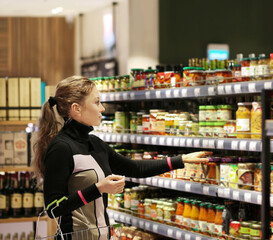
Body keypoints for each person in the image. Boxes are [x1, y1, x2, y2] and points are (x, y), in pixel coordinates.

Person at [33, 76, 212, 239]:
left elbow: (135, 168)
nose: (102, 108)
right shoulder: (61, 148)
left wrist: (181, 160)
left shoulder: (95, 144)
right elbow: (53, 208)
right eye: (97, 102)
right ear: (76, 109)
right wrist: (98, 188)